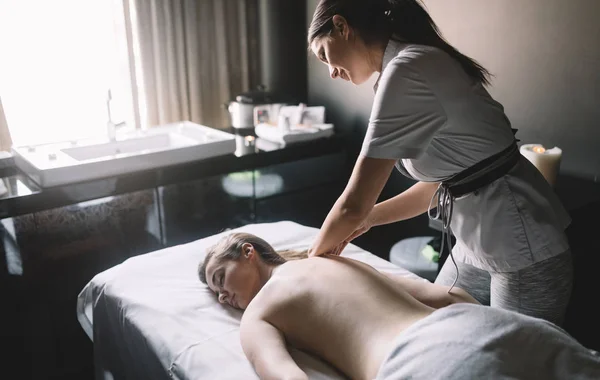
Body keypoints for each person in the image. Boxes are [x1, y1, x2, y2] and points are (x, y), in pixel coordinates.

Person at [306, 0, 573, 326]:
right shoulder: (410, 66)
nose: (331, 73)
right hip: (478, 242)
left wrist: (307, 263)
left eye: (324, 55)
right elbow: (434, 187)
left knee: (514, 366)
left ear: (341, 27)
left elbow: (352, 205)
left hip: (522, 248)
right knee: (437, 331)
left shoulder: (409, 70)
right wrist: (370, 219)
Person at [199, 232, 600, 380]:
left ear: (247, 252)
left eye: (220, 279)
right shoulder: (332, 259)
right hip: (489, 326)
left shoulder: (257, 314)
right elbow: (442, 295)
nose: (222, 297)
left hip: (422, 361)